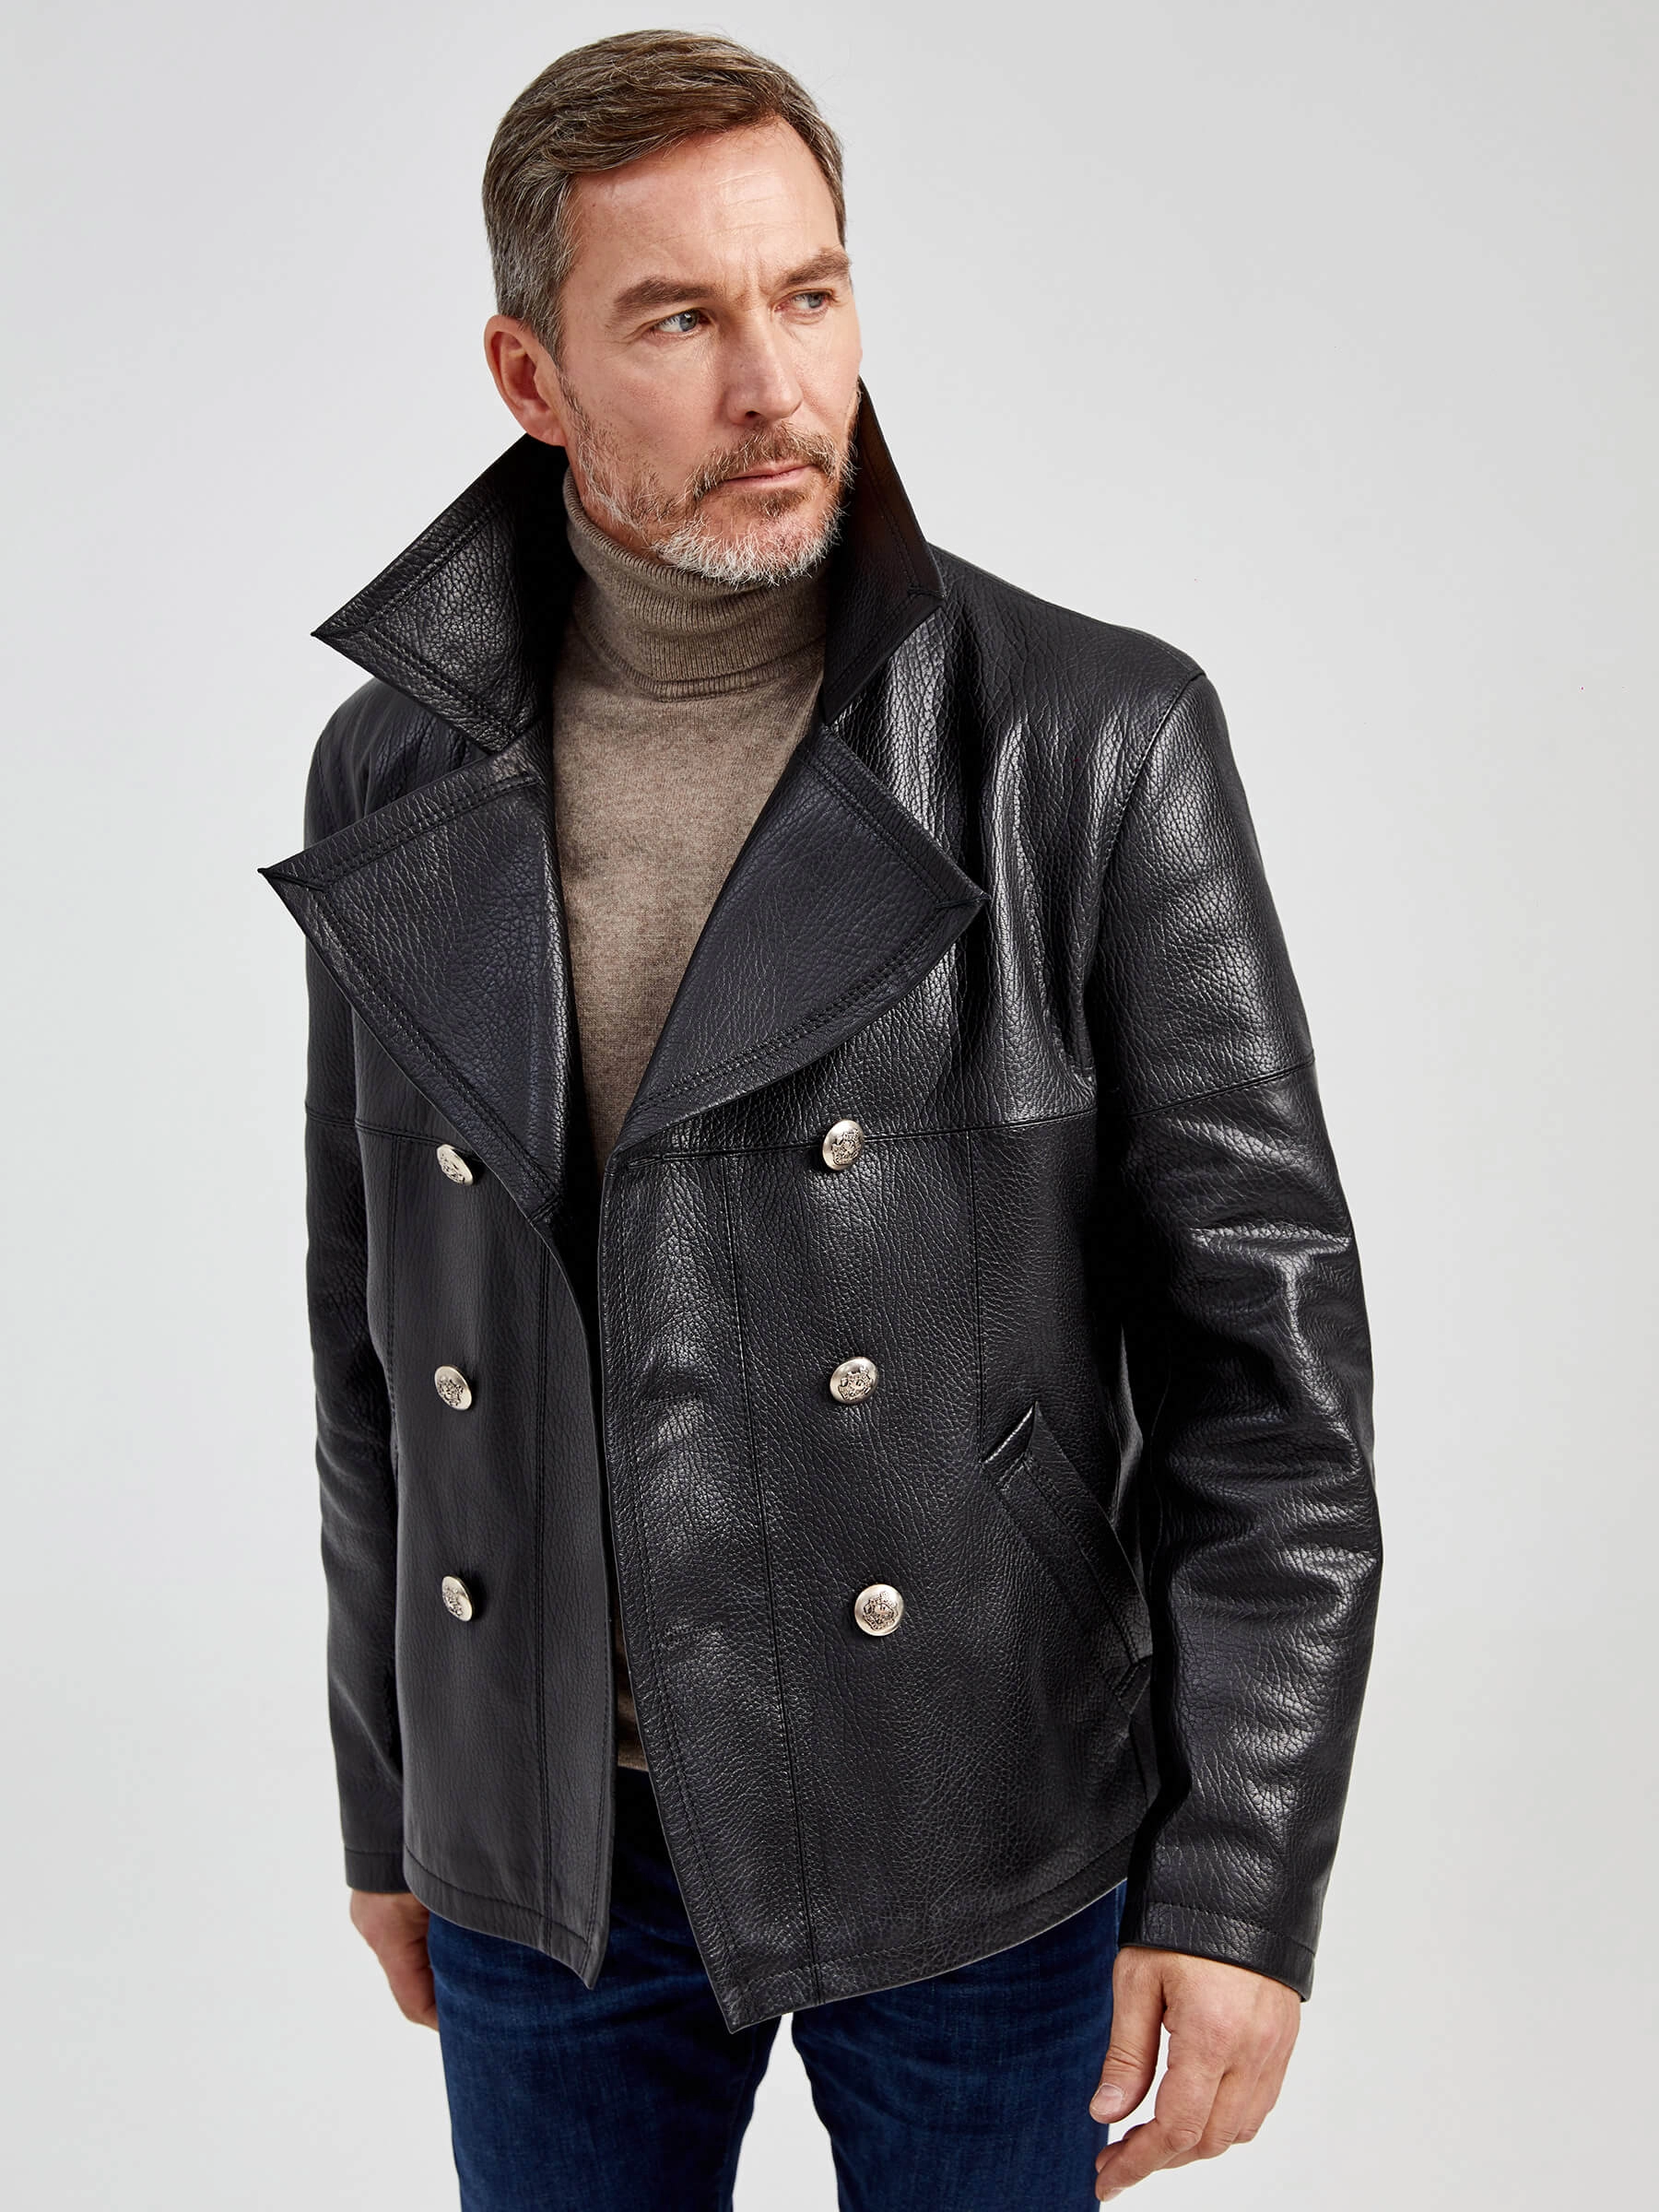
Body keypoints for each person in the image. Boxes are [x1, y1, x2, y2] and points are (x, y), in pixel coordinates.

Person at [257, 29, 1382, 2209]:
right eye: (679, 320)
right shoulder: (394, 769)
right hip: (553, 1853)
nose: (776, 386)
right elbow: (377, 1336)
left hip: (976, 1822)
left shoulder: (1086, 739)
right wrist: (402, 1799)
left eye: (811, 293)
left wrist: (1239, 1883)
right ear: (530, 376)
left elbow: (1268, 1373)